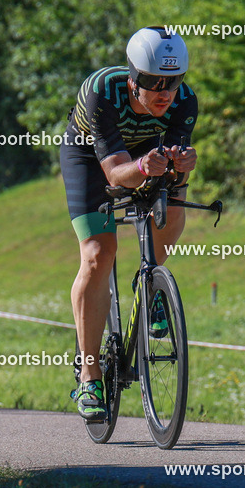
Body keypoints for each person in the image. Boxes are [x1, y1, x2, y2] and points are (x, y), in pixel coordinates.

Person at [60, 26, 199, 421]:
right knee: (98, 254)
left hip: (141, 154)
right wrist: (141, 166)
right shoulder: (102, 92)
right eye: (154, 82)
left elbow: (173, 177)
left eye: (173, 82)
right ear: (133, 77)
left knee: (174, 202)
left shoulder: (185, 101)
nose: (164, 92)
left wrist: (181, 167)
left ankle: (152, 280)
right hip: (91, 158)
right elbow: (115, 173)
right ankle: (89, 376)